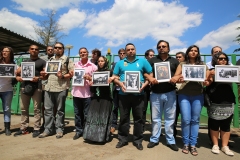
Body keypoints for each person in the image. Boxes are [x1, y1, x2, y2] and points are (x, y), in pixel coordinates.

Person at [113, 43, 152, 150]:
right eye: (128, 50)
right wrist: (120, 84)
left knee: (138, 119)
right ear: (125, 52)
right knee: (124, 118)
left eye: (132, 49)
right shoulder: (120, 63)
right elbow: (114, 77)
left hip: (139, 95)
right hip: (123, 95)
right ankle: (123, 139)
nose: (130, 51)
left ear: (135, 50)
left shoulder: (143, 61)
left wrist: (144, 86)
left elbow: (150, 74)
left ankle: (138, 140)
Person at [171, 45, 209, 156]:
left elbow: (207, 80)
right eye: (191, 50)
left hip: (198, 95)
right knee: (186, 120)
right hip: (184, 95)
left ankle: (193, 144)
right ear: (188, 53)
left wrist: (207, 82)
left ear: (198, 53)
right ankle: (185, 143)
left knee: (195, 120)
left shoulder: (202, 65)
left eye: (195, 51)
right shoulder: (182, 64)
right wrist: (180, 78)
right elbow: (176, 78)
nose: (193, 52)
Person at [144, 40, 179, 151]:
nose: (161, 48)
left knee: (170, 119)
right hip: (155, 93)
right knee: (155, 119)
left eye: (164, 46)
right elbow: (144, 72)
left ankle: (170, 140)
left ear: (168, 48)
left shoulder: (174, 61)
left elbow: (180, 73)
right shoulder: (152, 60)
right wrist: (150, 78)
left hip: (170, 93)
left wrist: (176, 77)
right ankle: (154, 139)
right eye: (159, 47)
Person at [39, 42, 73, 139]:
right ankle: (47, 130)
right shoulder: (50, 60)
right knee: (48, 110)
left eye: (60, 48)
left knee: (60, 111)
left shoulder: (67, 60)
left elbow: (71, 73)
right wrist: (43, 74)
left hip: (61, 88)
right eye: (56, 47)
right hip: (49, 87)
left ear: (63, 49)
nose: (57, 49)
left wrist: (62, 76)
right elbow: (46, 75)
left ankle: (59, 130)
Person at [14, 45, 46, 138]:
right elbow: (17, 72)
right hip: (25, 87)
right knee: (24, 108)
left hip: (37, 87)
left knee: (37, 109)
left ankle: (37, 128)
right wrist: (18, 77)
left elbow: (45, 75)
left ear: (38, 51)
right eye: (32, 49)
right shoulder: (24, 62)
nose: (34, 50)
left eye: (36, 49)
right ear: (29, 50)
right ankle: (24, 128)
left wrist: (38, 77)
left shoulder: (42, 62)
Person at [207, 52, 235, 156]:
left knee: (226, 126)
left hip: (228, 100)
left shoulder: (232, 71)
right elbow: (207, 83)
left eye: (225, 59)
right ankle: (215, 145)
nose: (223, 60)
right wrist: (210, 75)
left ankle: (225, 146)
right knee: (214, 125)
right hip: (215, 100)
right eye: (220, 59)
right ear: (215, 60)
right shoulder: (211, 70)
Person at [83, 56, 114, 142]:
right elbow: (93, 88)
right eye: (99, 61)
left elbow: (116, 78)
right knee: (94, 117)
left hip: (106, 97)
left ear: (105, 62)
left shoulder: (109, 71)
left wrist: (112, 79)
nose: (100, 62)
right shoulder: (95, 72)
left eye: (102, 61)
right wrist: (91, 83)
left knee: (104, 117)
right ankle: (92, 136)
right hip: (96, 97)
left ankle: (102, 137)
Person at [71, 47, 97, 140]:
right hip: (76, 93)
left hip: (87, 94)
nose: (83, 54)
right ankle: (79, 131)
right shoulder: (75, 65)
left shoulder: (93, 66)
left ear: (87, 53)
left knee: (87, 114)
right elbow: (71, 75)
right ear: (79, 54)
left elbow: (97, 80)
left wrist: (90, 79)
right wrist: (71, 73)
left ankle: (87, 131)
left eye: (84, 52)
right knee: (77, 114)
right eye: (81, 52)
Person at [0, 46, 16, 136]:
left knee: (7, 109)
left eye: (7, 51)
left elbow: (17, 75)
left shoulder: (13, 64)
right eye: (3, 51)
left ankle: (7, 128)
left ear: (10, 53)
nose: (4, 52)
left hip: (7, 90)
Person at [111, 48, 126, 133]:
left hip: (125, 90)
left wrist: (118, 78)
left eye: (124, 53)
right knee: (115, 108)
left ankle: (122, 125)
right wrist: (116, 79)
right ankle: (113, 125)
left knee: (123, 109)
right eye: (120, 53)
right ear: (118, 55)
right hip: (116, 90)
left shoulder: (128, 64)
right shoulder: (115, 64)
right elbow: (112, 76)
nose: (122, 54)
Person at [40, 46, 54, 130]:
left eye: (52, 50)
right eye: (48, 50)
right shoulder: (42, 59)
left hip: (54, 84)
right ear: (46, 51)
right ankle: (45, 121)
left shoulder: (57, 59)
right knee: (44, 105)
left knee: (54, 105)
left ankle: (53, 121)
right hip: (44, 84)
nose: (50, 51)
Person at [174, 51, 185, 138]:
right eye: (176, 57)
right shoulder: (174, 67)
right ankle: (173, 133)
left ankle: (185, 134)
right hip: (175, 94)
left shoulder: (187, 67)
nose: (178, 58)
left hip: (185, 94)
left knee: (185, 116)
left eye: (180, 57)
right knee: (174, 115)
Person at [143, 49, 155, 130]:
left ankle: (155, 128)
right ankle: (142, 127)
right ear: (147, 56)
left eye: (153, 55)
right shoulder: (143, 64)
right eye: (150, 55)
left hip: (154, 89)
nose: (152, 57)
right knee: (143, 108)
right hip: (145, 88)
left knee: (154, 109)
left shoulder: (156, 64)